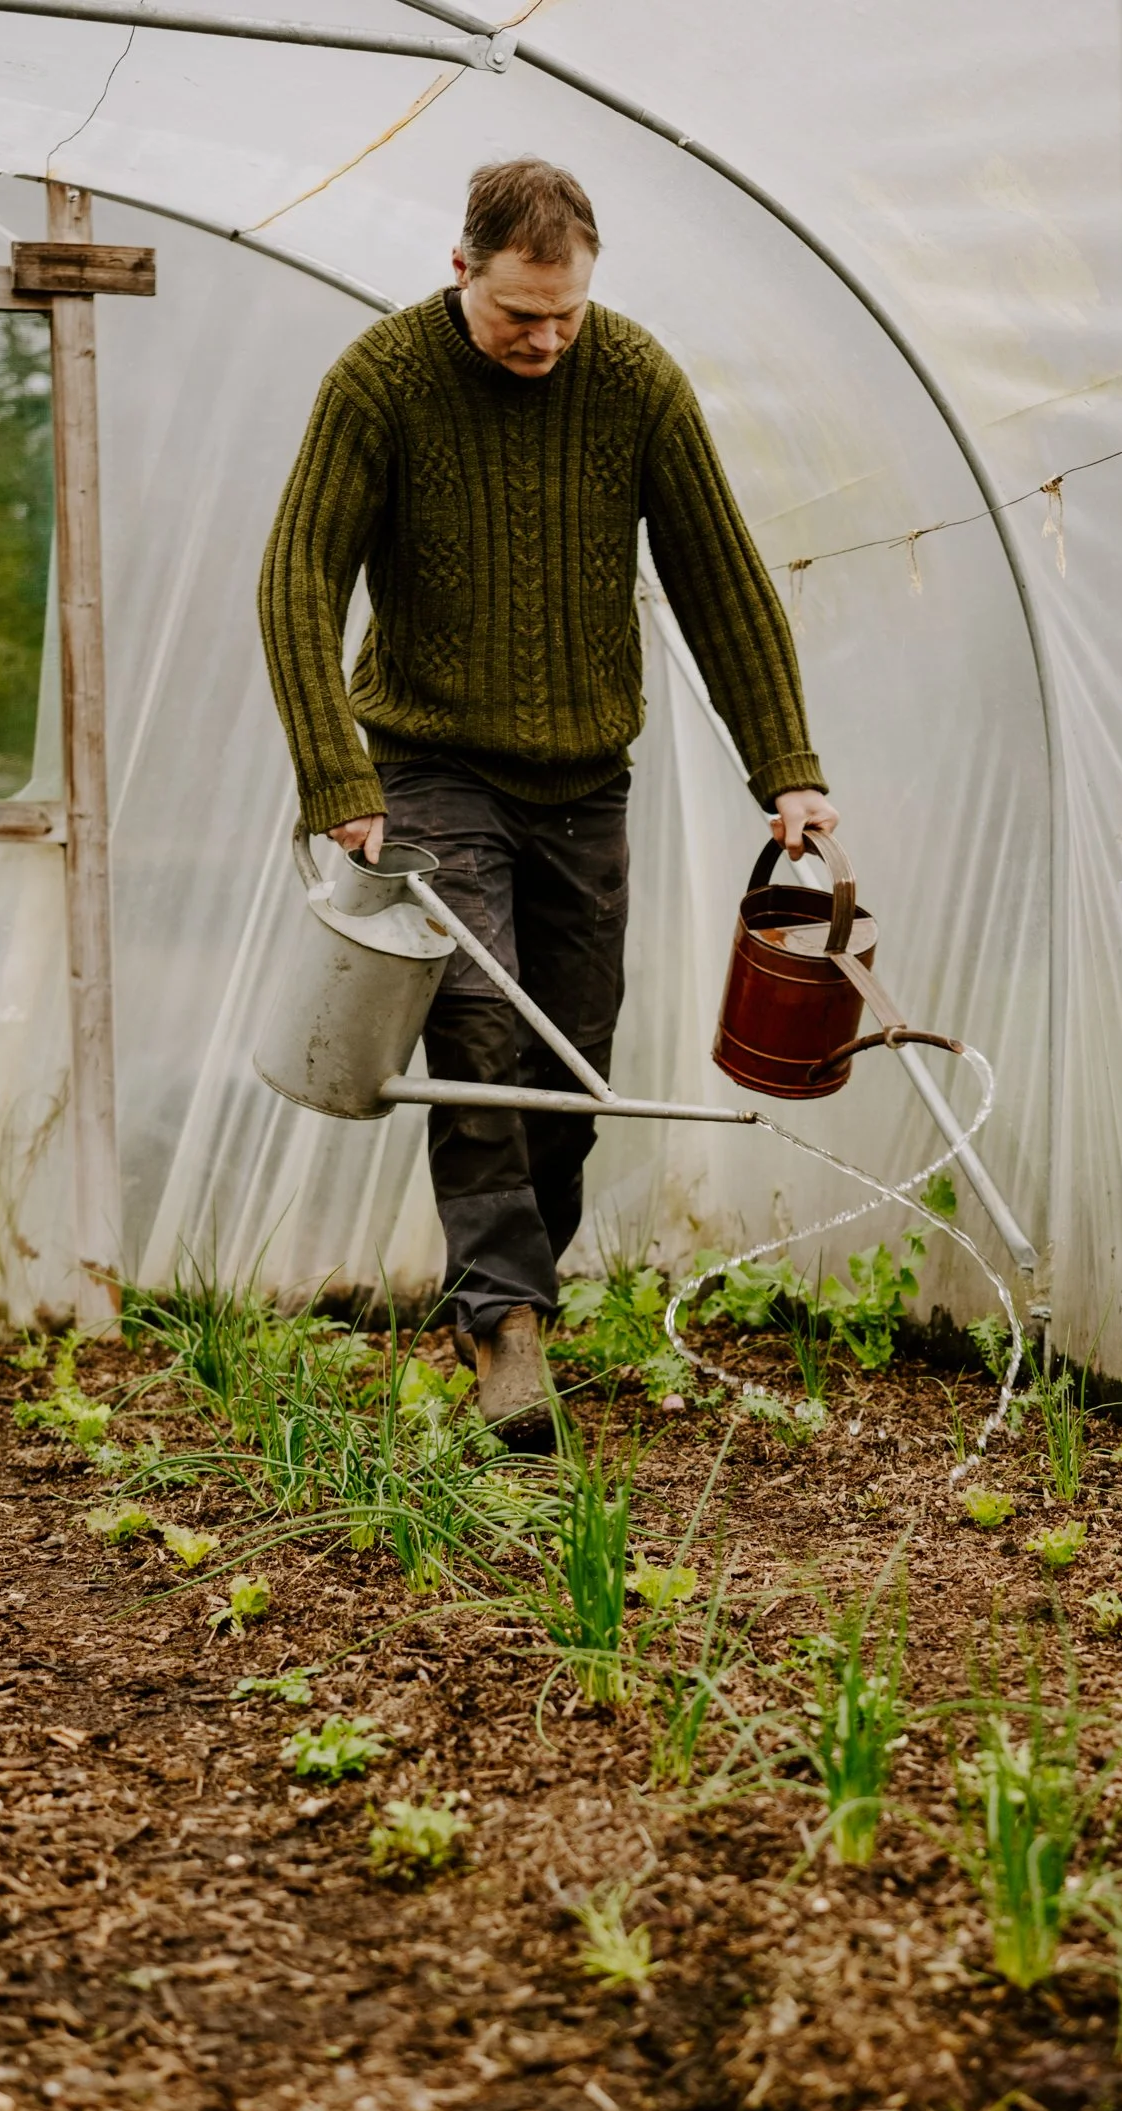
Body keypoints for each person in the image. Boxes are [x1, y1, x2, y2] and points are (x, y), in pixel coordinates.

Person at [259, 157, 839, 1432]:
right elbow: (298, 575)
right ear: (459, 269)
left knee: (573, 1050)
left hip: (584, 781)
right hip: (430, 766)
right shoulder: (383, 381)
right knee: (476, 1031)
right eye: (521, 313)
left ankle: (517, 1289)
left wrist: (785, 765)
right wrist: (335, 774)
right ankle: (503, 1329)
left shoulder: (630, 378)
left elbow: (720, 579)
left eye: (565, 313)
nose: (546, 338)